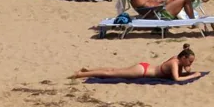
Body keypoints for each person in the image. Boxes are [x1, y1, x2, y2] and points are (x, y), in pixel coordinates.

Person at [70, 43, 202, 83]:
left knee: (114, 70)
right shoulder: (174, 63)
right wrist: (193, 75)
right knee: (111, 74)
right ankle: (79, 75)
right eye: (189, 61)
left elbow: (182, 70)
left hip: (144, 67)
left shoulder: (176, 59)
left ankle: (89, 71)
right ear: (183, 57)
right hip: (142, 71)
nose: (190, 64)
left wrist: (188, 68)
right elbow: (177, 78)